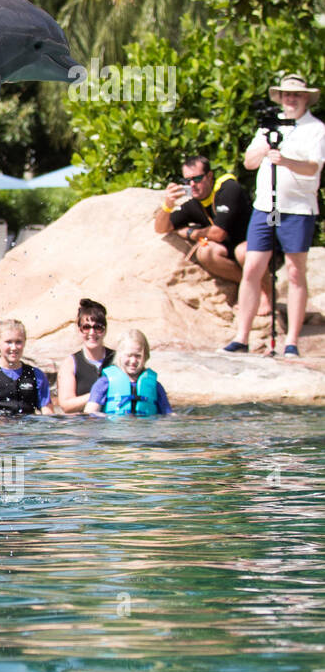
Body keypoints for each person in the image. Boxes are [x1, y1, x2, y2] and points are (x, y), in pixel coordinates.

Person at [226, 74, 325, 356]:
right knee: (253, 268)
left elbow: (312, 168)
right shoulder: (267, 125)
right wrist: (265, 148)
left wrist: (287, 160)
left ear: (306, 97)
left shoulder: (315, 129)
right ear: (280, 97)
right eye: (286, 94)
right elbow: (248, 162)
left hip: (298, 209)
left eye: (297, 94)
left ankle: (291, 342)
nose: (291, 99)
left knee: (295, 271)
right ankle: (241, 337)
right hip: (266, 206)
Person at [154, 154, 254, 300]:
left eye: (197, 179)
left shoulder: (227, 188)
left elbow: (218, 233)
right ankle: (249, 285)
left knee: (243, 252)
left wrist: (190, 232)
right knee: (205, 252)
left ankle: (265, 292)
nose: (192, 184)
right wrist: (167, 205)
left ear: (209, 176)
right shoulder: (193, 203)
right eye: (187, 181)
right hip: (228, 250)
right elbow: (161, 228)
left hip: (252, 245)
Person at [0, 319, 54, 416]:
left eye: (18, 342)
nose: (14, 348)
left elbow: (48, 415)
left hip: (28, 429)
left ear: (25, 342)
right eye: (8, 342)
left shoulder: (36, 375)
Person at [85, 330, 173, 416]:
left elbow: (168, 415)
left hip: (145, 429)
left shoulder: (155, 386)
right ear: (120, 355)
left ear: (146, 356)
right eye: (129, 355)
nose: (133, 361)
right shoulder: (104, 383)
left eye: (138, 356)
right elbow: (90, 413)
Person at [55, 298, 115, 413]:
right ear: (79, 330)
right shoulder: (71, 363)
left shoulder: (117, 359)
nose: (92, 333)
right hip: (83, 427)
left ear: (105, 330)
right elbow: (66, 405)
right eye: (86, 327)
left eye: (98, 327)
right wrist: (97, 393)